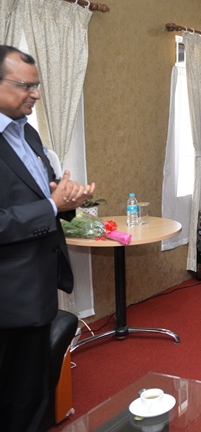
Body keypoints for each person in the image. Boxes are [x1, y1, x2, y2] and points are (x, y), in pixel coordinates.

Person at [0, 45, 96, 431]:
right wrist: (51, 205)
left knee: (35, 394)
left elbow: (44, 196)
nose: (36, 94)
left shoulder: (28, 133)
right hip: (8, 294)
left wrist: (66, 199)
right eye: (26, 86)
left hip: (38, 287)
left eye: (36, 85)